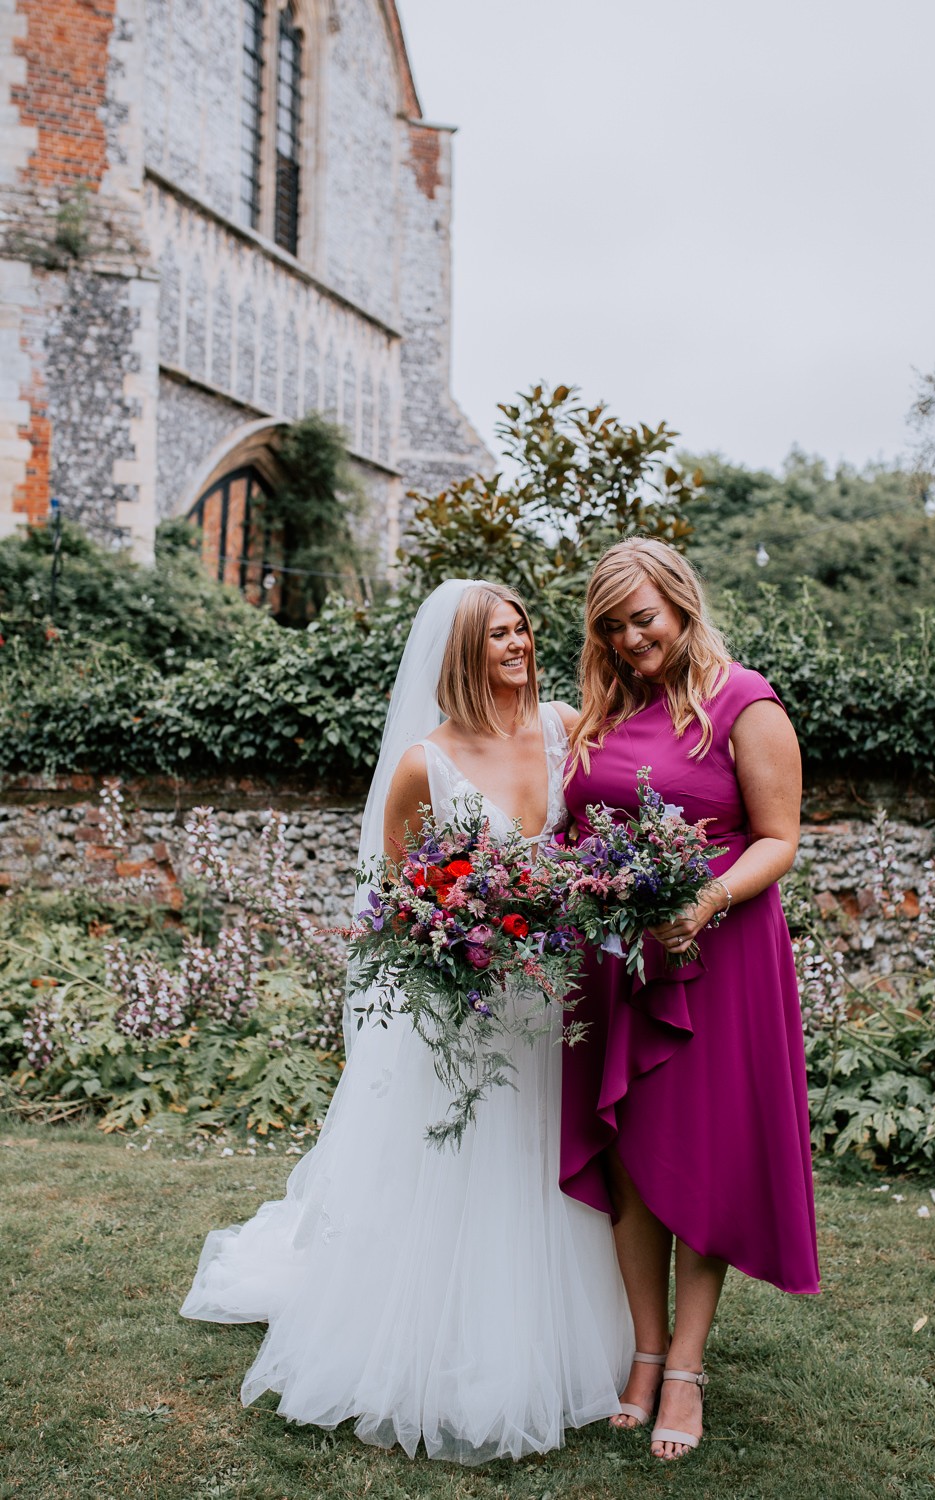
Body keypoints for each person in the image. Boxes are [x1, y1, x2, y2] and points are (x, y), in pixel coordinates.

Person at [181, 579, 632, 1464]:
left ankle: (567, 1332)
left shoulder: (565, 728)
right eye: (498, 635)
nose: (519, 645)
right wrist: (462, 930)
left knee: (547, 1159)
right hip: (469, 1010)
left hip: (554, 1001)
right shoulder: (425, 763)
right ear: (463, 653)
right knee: (466, 1167)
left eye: (523, 629)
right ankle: (438, 1343)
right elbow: (393, 899)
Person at [559, 538, 820, 1463]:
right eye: (613, 627)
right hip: (613, 958)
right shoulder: (597, 711)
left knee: (700, 1157)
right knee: (627, 1150)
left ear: (681, 602)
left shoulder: (744, 702)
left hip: (720, 951)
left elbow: (778, 837)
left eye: (645, 620)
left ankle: (687, 1369)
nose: (633, 640)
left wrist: (701, 902)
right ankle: (642, 1349)